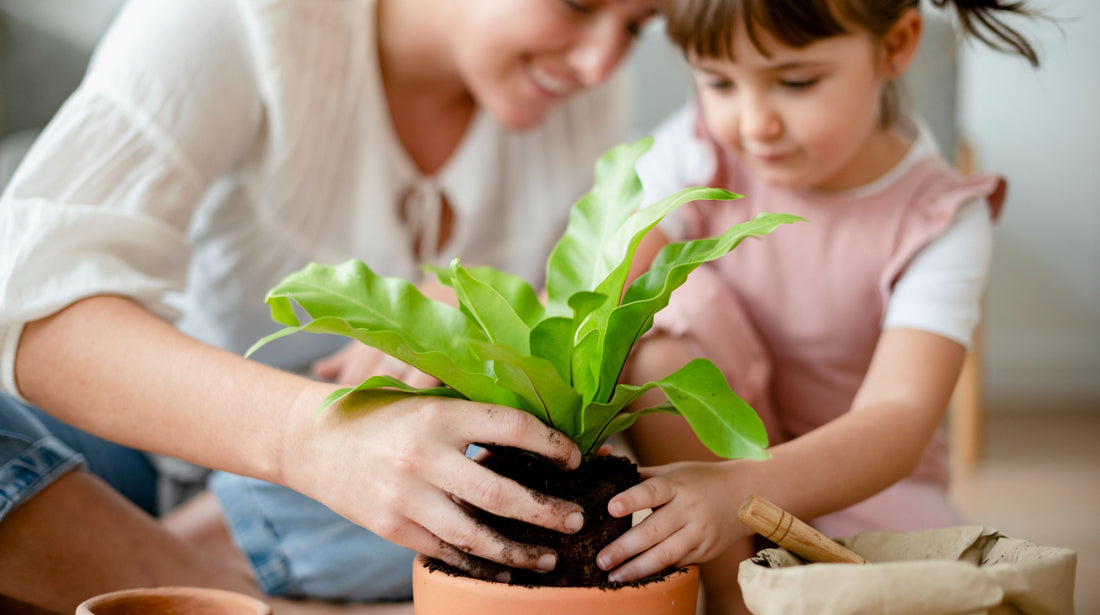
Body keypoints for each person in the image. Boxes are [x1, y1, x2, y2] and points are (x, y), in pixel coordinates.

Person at [0, 0, 659, 611]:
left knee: (549, 469)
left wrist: (482, 315)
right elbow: (28, 296)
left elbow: (629, 264)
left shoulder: (576, 88)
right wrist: (307, 439)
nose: (601, 61)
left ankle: (143, 567)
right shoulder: (246, 20)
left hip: (355, 509)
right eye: (578, 2)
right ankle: (186, 576)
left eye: (638, 23)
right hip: (131, 453)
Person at [592, 0, 1041, 613]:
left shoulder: (938, 217)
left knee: (947, 593)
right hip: (712, 470)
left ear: (895, 45)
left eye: (795, 81)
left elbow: (898, 416)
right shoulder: (695, 149)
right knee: (663, 339)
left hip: (861, 480)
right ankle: (731, 594)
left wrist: (739, 493)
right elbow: (604, 295)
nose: (754, 125)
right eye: (718, 81)